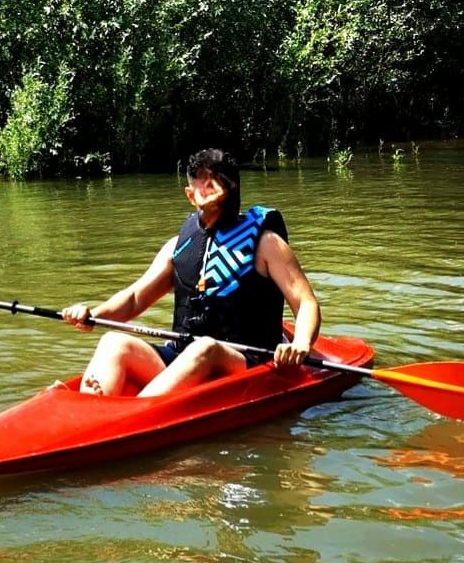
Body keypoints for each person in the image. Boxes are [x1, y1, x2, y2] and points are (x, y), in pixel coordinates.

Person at [60, 148, 321, 397]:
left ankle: (135, 412)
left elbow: (305, 302)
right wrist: (93, 314)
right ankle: (93, 408)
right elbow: (136, 298)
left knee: (205, 348)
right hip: (184, 360)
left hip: (248, 363)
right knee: (113, 343)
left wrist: (300, 343)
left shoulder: (267, 244)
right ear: (190, 194)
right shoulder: (179, 247)